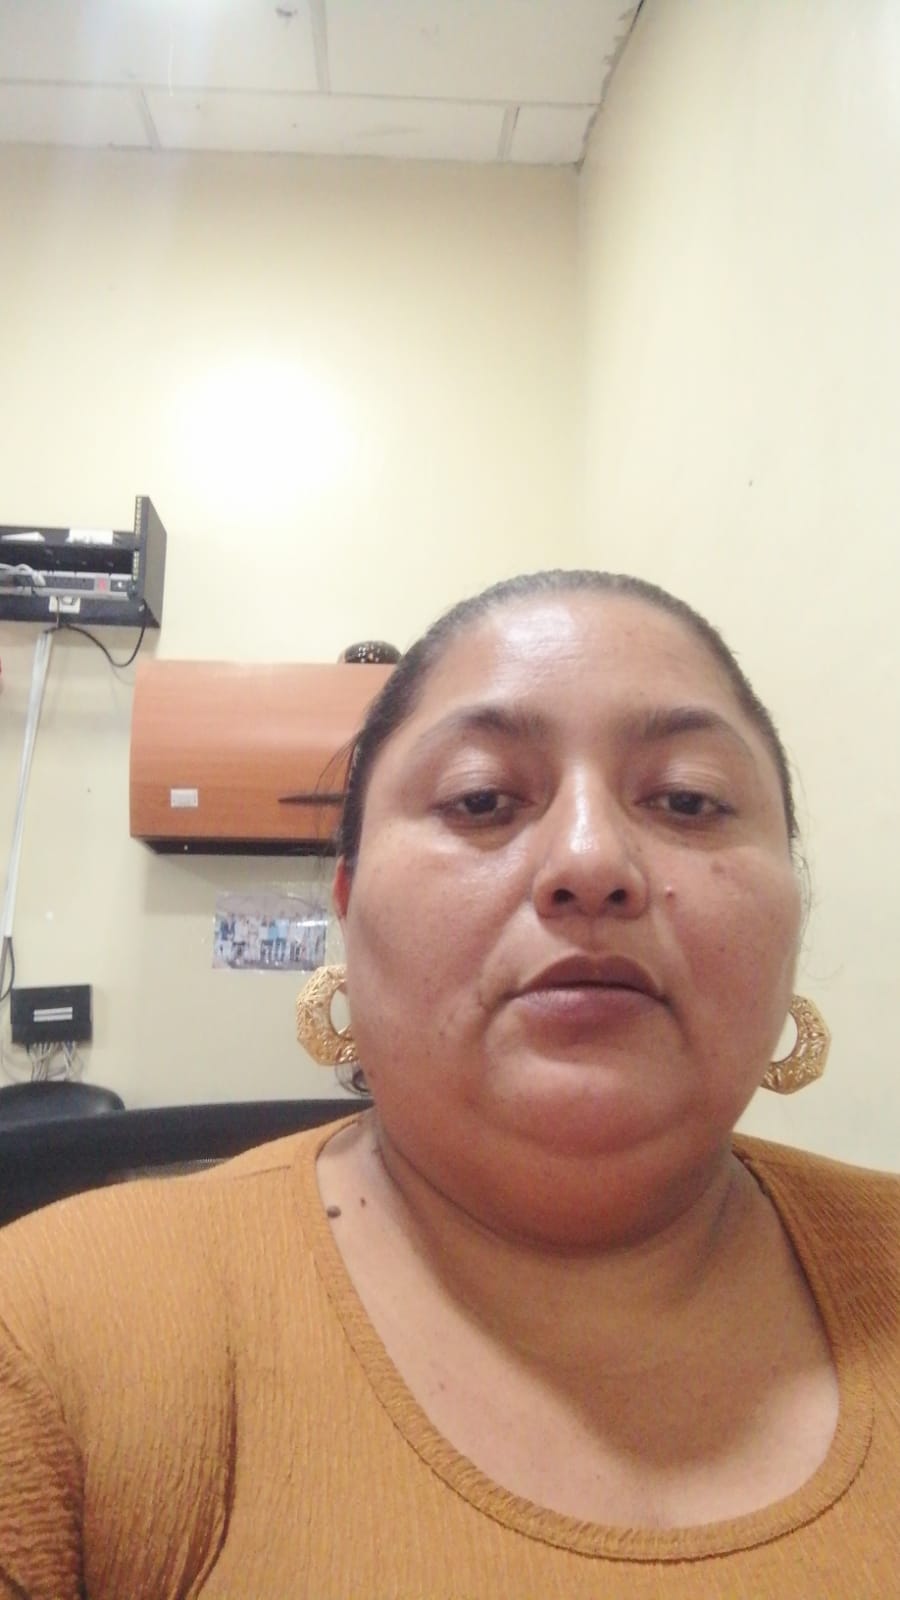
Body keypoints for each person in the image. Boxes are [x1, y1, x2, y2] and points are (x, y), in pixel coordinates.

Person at [1, 570, 897, 1599]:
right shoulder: (52, 1335)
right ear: (346, 906)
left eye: (688, 799)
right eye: (480, 799)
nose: (592, 860)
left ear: (794, 908)